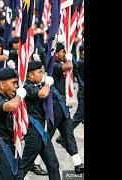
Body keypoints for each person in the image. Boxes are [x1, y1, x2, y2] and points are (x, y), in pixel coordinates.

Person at [21, 61, 61, 180]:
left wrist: (46, 83)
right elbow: (43, 94)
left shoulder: (37, 84)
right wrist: (47, 84)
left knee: (53, 165)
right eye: (39, 72)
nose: (41, 74)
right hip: (34, 133)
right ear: (30, 75)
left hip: (43, 132)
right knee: (23, 167)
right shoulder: (26, 87)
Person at [51, 43, 84, 174]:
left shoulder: (59, 62)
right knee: (45, 137)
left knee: (69, 135)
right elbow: (69, 65)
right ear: (56, 53)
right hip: (54, 108)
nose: (64, 54)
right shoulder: (52, 65)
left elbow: (73, 66)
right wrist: (69, 58)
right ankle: (33, 162)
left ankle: (78, 163)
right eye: (62, 52)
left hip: (62, 108)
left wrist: (69, 57)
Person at [0, 67, 25, 180]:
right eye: (13, 83)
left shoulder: (8, 96)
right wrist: (19, 95)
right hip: (0, 151)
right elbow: (11, 106)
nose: (16, 86)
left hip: (13, 148)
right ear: (2, 84)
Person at [56, 44, 84, 146]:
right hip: (82, 92)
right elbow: (73, 66)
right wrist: (70, 57)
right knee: (78, 116)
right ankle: (63, 136)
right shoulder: (80, 62)